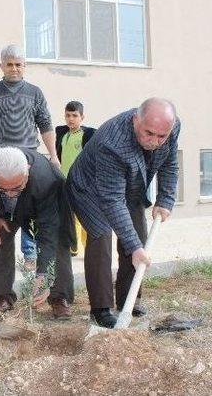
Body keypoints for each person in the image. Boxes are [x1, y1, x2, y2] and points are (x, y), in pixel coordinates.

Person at [66, 98, 180, 328]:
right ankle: (101, 309)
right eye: (149, 133)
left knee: (137, 236)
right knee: (101, 236)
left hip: (130, 185)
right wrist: (134, 247)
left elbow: (170, 163)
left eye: (161, 137)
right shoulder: (113, 143)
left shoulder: (171, 127)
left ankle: (129, 299)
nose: (155, 141)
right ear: (136, 120)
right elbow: (112, 199)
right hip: (89, 188)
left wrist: (165, 199)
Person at [0, 44, 60, 271]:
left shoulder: (35, 93)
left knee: (29, 207)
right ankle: (1, 254)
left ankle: (29, 254)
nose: (14, 69)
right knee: (2, 206)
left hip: (28, 159)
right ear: (1, 66)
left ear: (25, 66)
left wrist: (54, 155)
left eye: (18, 64)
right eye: (9, 64)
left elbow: (45, 125)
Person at [0, 145, 75, 319]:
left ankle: (58, 297)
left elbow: (49, 232)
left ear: (27, 171)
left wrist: (44, 274)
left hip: (39, 202)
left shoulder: (47, 180)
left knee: (58, 243)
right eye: (4, 188)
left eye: (16, 188)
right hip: (0, 208)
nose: (10, 195)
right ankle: (2, 297)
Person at [54, 101, 95, 256]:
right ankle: (73, 247)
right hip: (65, 182)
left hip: (83, 183)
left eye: (75, 115)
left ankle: (90, 248)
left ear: (82, 117)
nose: (71, 119)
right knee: (69, 216)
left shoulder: (87, 135)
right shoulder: (63, 135)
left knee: (83, 217)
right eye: (68, 115)